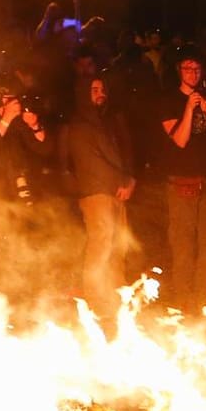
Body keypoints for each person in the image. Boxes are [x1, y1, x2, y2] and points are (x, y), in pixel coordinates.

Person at [158, 54, 206, 310]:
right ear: (179, 71)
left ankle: (204, 297)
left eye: (197, 69)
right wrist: (188, 108)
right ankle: (184, 300)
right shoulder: (169, 100)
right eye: (188, 69)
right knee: (183, 243)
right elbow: (180, 140)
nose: (193, 73)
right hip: (182, 180)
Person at [61, 76, 135, 320]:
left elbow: (121, 153)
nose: (100, 93)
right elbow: (91, 162)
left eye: (103, 88)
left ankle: (115, 295)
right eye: (94, 89)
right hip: (96, 193)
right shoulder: (80, 125)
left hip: (115, 191)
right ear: (83, 93)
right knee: (101, 244)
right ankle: (95, 299)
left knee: (118, 244)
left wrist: (128, 179)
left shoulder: (106, 121)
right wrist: (120, 181)